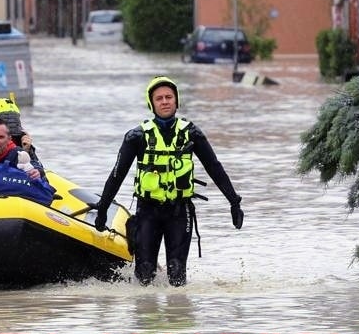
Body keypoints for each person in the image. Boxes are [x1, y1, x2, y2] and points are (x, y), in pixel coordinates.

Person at [92, 76, 245, 287]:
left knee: (177, 272)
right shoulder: (136, 137)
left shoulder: (192, 133)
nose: (165, 101)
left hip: (179, 212)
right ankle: (146, 315)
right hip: (147, 212)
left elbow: (214, 168)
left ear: (176, 101)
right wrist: (102, 208)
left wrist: (234, 202)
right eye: (159, 98)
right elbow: (117, 175)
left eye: (169, 97)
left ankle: (178, 316)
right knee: (145, 272)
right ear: (151, 103)